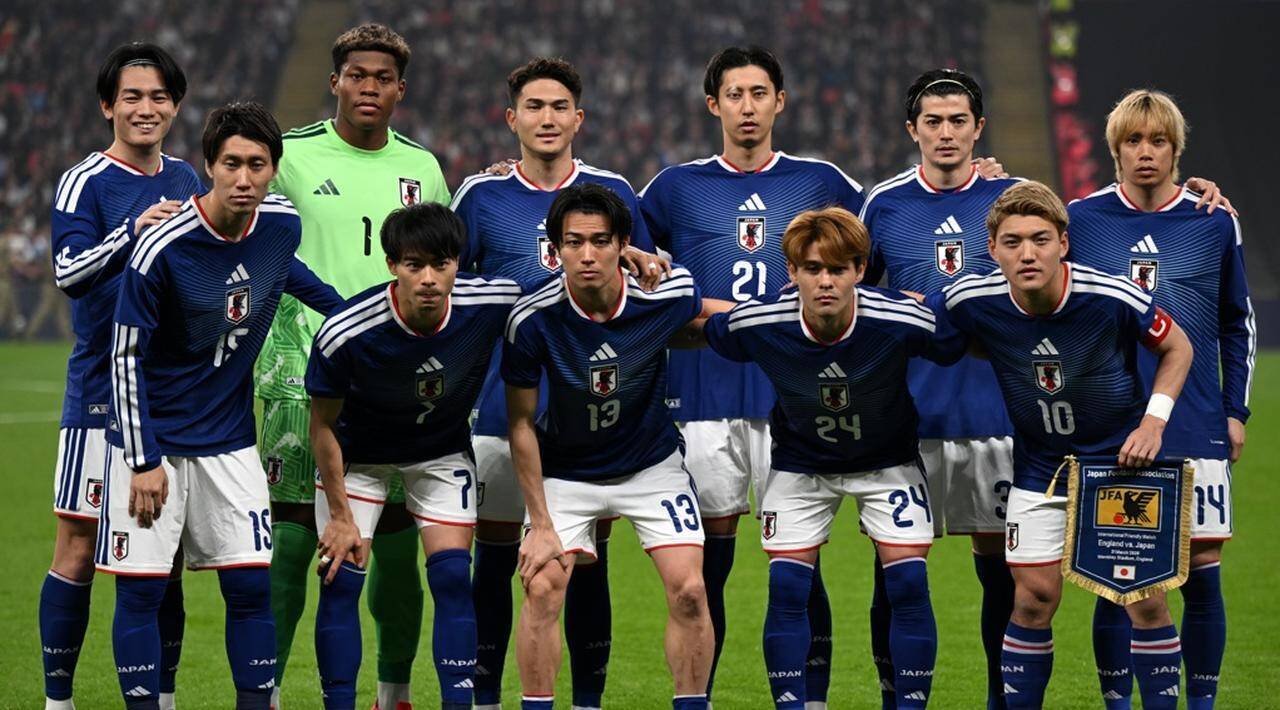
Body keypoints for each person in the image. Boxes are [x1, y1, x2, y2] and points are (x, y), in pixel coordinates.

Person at [637, 46, 867, 702]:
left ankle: (807, 699)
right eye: (734, 94)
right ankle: (699, 696)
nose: (747, 107)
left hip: (796, 401)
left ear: (779, 102)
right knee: (706, 572)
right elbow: (629, 258)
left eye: (759, 93)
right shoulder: (674, 189)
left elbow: (879, 244)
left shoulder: (823, 183)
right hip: (702, 400)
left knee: (799, 568)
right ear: (714, 104)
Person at [97, 102, 340, 710]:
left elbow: (294, 276)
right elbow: (124, 357)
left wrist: (362, 319)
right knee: (142, 592)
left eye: (257, 164)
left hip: (230, 443)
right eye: (231, 163)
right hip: (152, 443)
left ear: (273, 170)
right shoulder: (162, 247)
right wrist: (143, 459)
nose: (244, 178)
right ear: (209, 165)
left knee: (251, 587)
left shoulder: (281, 225)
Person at [451, 57, 665, 710]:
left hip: (592, 414)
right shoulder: (480, 196)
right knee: (497, 560)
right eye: (534, 107)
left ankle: (587, 701)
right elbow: (450, 289)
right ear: (511, 118)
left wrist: (645, 261)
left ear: (579, 118)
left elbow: (650, 283)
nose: (547, 118)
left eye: (559, 107)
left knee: (586, 561)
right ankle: (487, 698)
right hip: (500, 405)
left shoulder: (614, 192)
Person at [930, 181, 1194, 710]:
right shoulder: (969, 299)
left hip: (1121, 467)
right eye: (1013, 242)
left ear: (1063, 244)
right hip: (1039, 470)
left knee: (1145, 604)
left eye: (1040, 239)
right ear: (992, 249)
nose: (1027, 254)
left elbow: (1178, 346)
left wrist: (1153, 424)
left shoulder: (1112, 295)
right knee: (1032, 600)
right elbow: (918, 319)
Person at [253, 23, 451, 709]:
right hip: (297, 377)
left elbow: (439, 265)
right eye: (357, 75)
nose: (369, 87)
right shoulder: (291, 157)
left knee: (394, 553)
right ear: (334, 80)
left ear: (400, 89)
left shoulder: (423, 168)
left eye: (383, 78)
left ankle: (393, 693)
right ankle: (266, 692)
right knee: (288, 549)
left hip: (394, 382)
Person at [703, 207, 965, 708]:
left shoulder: (898, 318)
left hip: (888, 462)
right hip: (801, 465)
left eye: (838, 269)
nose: (825, 282)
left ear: (860, 270)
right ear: (791, 272)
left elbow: (955, 338)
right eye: (813, 269)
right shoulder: (761, 320)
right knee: (786, 587)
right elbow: (699, 323)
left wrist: (924, 298)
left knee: (909, 581)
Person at [503, 183, 726, 710]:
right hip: (565, 472)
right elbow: (521, 423)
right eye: (573, 242)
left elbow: (710, 313)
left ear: (623, 245)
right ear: (555, 248)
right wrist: (540, 524)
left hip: (651, 466)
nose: (587, 255)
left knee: (691, 591)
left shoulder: (666, 292)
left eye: (600, 241)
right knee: (541, 587)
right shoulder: (531, 319)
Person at [1067, 89, 1254, 710]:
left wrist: (1235, 411)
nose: (1145, 152)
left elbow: (1237, 323)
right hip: (1112, 423)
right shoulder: (1081, 219)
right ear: (1114, 149)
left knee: (1202, 573)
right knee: (1113, 576)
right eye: (1133, 141)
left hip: (1196, 422)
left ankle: (1199, 704)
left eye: (1158, 141)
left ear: (1177, 149)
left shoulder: (1213, 220)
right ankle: (1118, 704)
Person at [306, 203, 523, 710]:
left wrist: (631, 257)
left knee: (452, 577)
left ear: (458, 263)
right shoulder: (346, 331)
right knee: (340, 581)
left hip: (439, 453)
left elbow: (562, 291)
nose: (428, 279)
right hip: (359, 458)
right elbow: (322, 425)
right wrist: (339, 516)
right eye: (413, 265)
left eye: (440, 264)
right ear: (392, 265)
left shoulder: (492, 300)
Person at [43, 42, 202, 710]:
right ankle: (58, 701)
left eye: (159, 96)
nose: (146, 108)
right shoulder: (85, 181)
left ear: (175, 106)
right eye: (132, 96)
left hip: (170, 399)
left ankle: (162, 698)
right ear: (108, 105)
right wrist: (132, 232)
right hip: (97, 394)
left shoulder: (189, 178)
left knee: (164, 559)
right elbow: (67, 272)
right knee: (78, 547)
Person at [858, 68, 1021, 709]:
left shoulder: (1015, 200)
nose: (946, 133)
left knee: (1003, 576)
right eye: (934, 121)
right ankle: (895, 699)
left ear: (979, 128)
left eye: (958, 121)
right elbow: (854, 299)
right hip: (908, 421)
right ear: (913, 130)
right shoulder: (883, 204)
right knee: (895, 575)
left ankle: (1001, 699)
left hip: (998, 415)